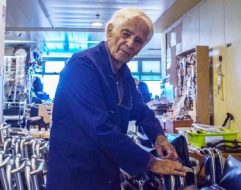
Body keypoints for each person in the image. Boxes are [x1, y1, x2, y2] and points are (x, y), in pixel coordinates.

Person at [47, 8, 186, 190]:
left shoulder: (123, 73)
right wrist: (152, 163)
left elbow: (141, 110)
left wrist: (159, 136)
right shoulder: (82, 66)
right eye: (126, 34)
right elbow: (100, 128)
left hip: (105, 172)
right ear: (110, 31)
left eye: (138, 41)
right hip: (77, 175)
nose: (130, 43)